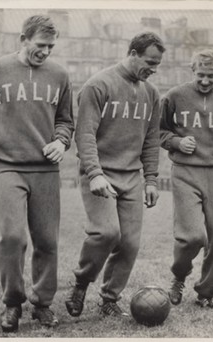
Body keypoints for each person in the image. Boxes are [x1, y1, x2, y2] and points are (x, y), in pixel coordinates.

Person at [0, 15, 74, 332]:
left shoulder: (60, 74)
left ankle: (42, 305)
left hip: (45, 169)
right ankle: (13, 304)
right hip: (7, 164)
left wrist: (61, 141)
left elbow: (66, 120)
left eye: (51, 47)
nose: (46, 52)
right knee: (12, 237)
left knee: (47, 240)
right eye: (41, 45)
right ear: (23, 38)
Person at [65, 32, 165, 318]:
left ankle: (109, 298)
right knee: (107, 232)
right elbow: (84, 135)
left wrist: (151, 180)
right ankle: (81, 283)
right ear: (132, 53)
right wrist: (95, 173)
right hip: (100, 173)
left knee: (130, 243)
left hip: (132, 176)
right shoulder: (98, 85)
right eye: (149, 62)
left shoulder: (152, 94)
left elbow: (151, 141)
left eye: (157, 64)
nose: (153, 69)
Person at [160, 49, 213, 308]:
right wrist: (176, 141)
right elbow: (157, 132)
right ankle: (178, 277)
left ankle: (206, 293)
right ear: (192, 71)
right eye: (200, 75)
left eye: (211, 75)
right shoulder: (174, 96)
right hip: (185, 171)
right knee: (192, 237)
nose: (205, 81)